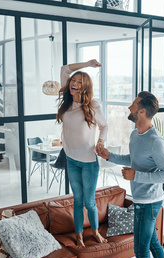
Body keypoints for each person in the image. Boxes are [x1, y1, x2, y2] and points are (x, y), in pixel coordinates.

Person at [96, 91, 164, 258]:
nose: (128, 108)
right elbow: (134, 159)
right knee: (151, 242)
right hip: (141, 199)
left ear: (141, 111)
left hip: (148, 203)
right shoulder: (135, 134)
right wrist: (109, 156)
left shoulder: (156, 142)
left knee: (140, 248)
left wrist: (136, 176)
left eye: (132, 106)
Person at [57, 59, 108, 248]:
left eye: (79, 82)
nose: (74, 84)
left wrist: (101, 141)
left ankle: (94, 231)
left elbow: (104, 126)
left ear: (85, 87)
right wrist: (87, 64)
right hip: (71, 159)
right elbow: (64, 69)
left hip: (88, 162)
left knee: (89, 201)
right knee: (77, 201)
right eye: (73, 81)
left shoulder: (93, 106)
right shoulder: (67, 102)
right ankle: (79, 235)